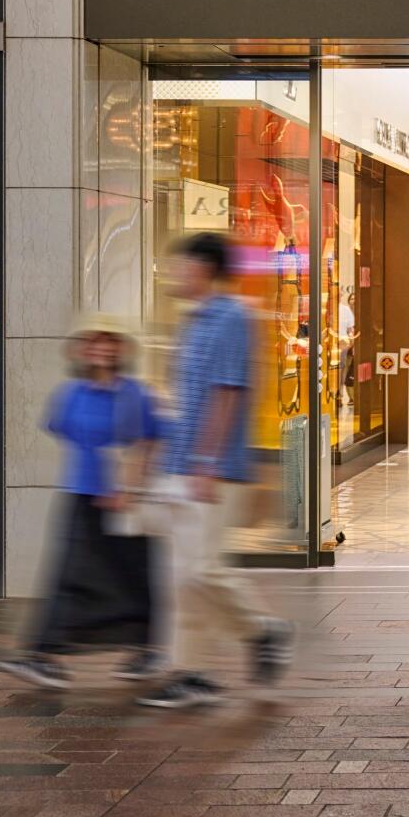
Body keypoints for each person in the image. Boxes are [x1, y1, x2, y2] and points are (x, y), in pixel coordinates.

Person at [139, 232, 295, 710]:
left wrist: (205, 464)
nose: (174, 273)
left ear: (204, 267)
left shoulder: (231, 316)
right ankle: (189, 673)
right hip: (179, 466)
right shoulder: (193, 321)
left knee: (201, 570)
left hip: (213, 470)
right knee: (180, 579)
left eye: (180, 265)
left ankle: (263, 630)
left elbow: (227, 392)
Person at [0, 316, 163, 690]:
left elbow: (149, 441)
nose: (101, 348)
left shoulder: (134, 393)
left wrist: (129, 486)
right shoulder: (71, 394)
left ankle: (147, 649)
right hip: (81, 493)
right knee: (69, 574)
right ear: (82, 349)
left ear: (121, 348)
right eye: (94, 341)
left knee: (134, 576)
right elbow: (61, 428)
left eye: (109, 341)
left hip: (125, 501)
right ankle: (44, 653)